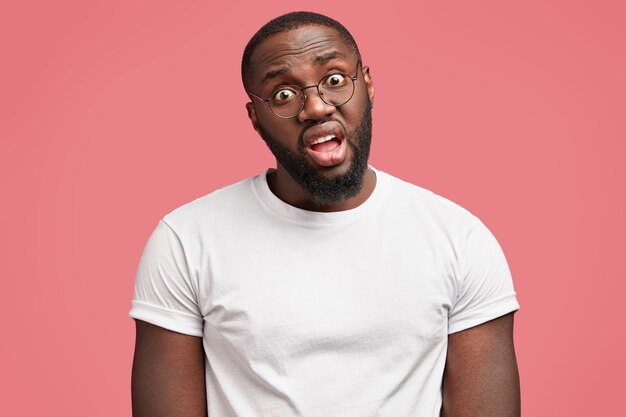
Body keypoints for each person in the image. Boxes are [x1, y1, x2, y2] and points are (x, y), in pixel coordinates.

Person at [130, 11, 520, 417]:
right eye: (283, 94)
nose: (315, 107)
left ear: (366, 84)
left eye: (335, 80)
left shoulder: (459, 239)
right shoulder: (186, 240)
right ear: (255, 119)